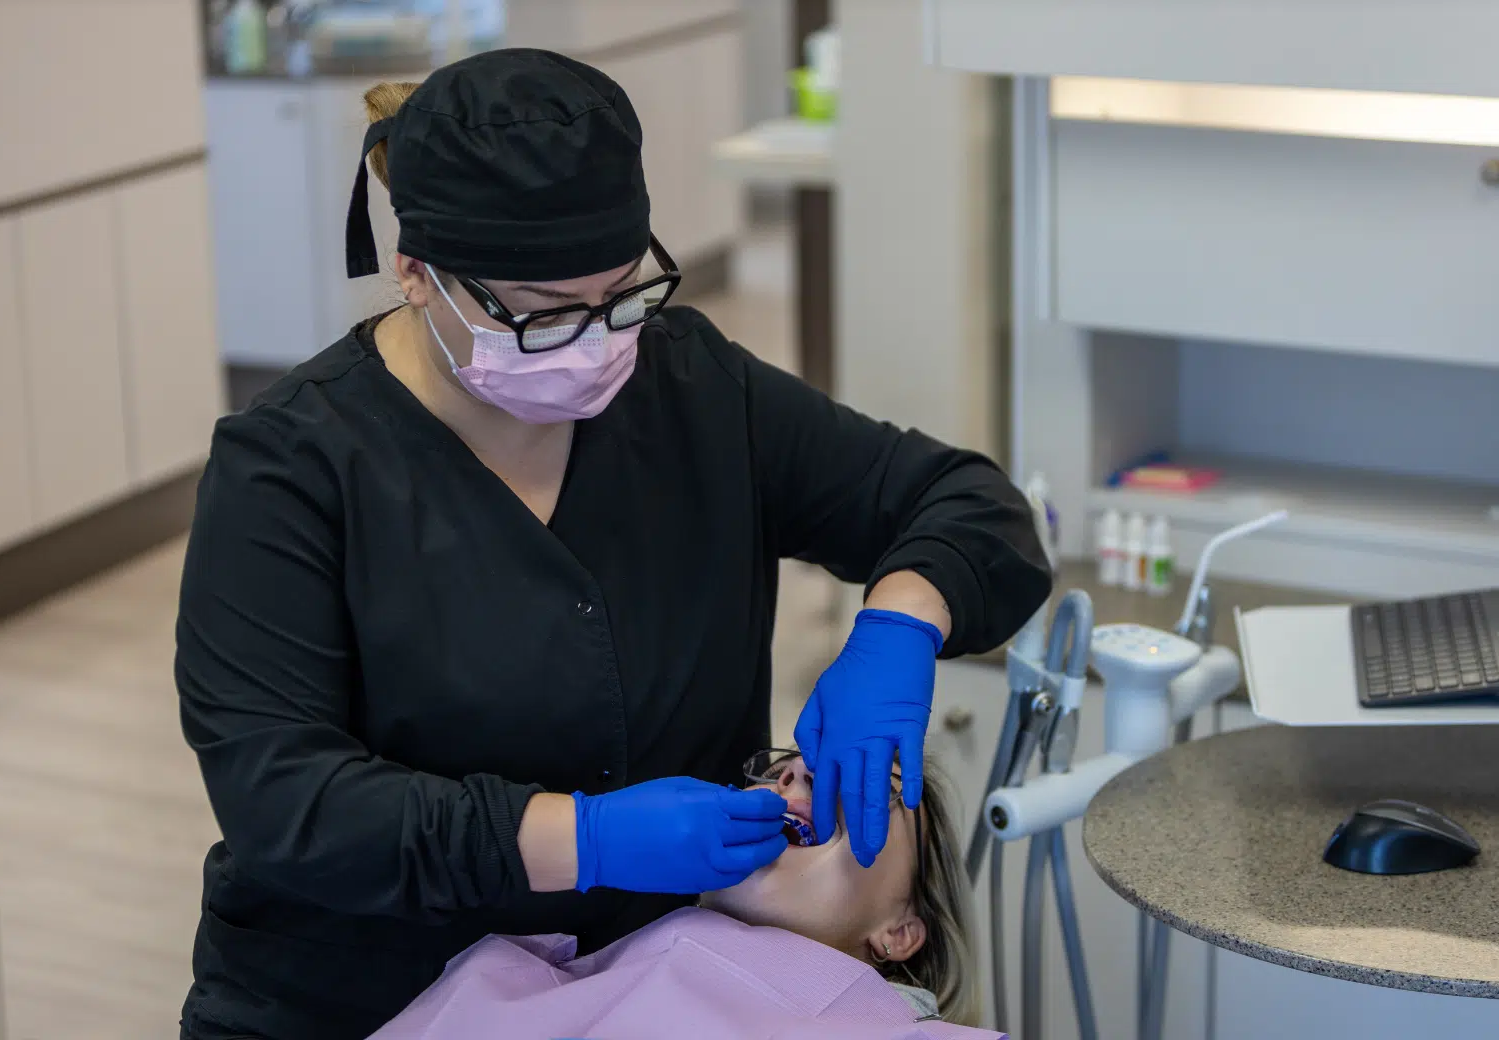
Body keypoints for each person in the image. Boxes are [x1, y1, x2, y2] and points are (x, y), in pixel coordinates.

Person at [175, 48, 1050, 1040]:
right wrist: (583, 836)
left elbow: (970, 504)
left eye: (622, 295)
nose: (595, 342)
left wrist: (899, 625)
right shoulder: (289, 473)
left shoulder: (693, 390)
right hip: (354, 999)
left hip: (650, 980)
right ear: (416, 273)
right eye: (544, 315)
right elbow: (290, 807)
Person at [367, 751, 991, 1038]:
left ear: (900, 932)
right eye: (788, 767)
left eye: (870, 790)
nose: (799, 772)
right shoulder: (528, 983)